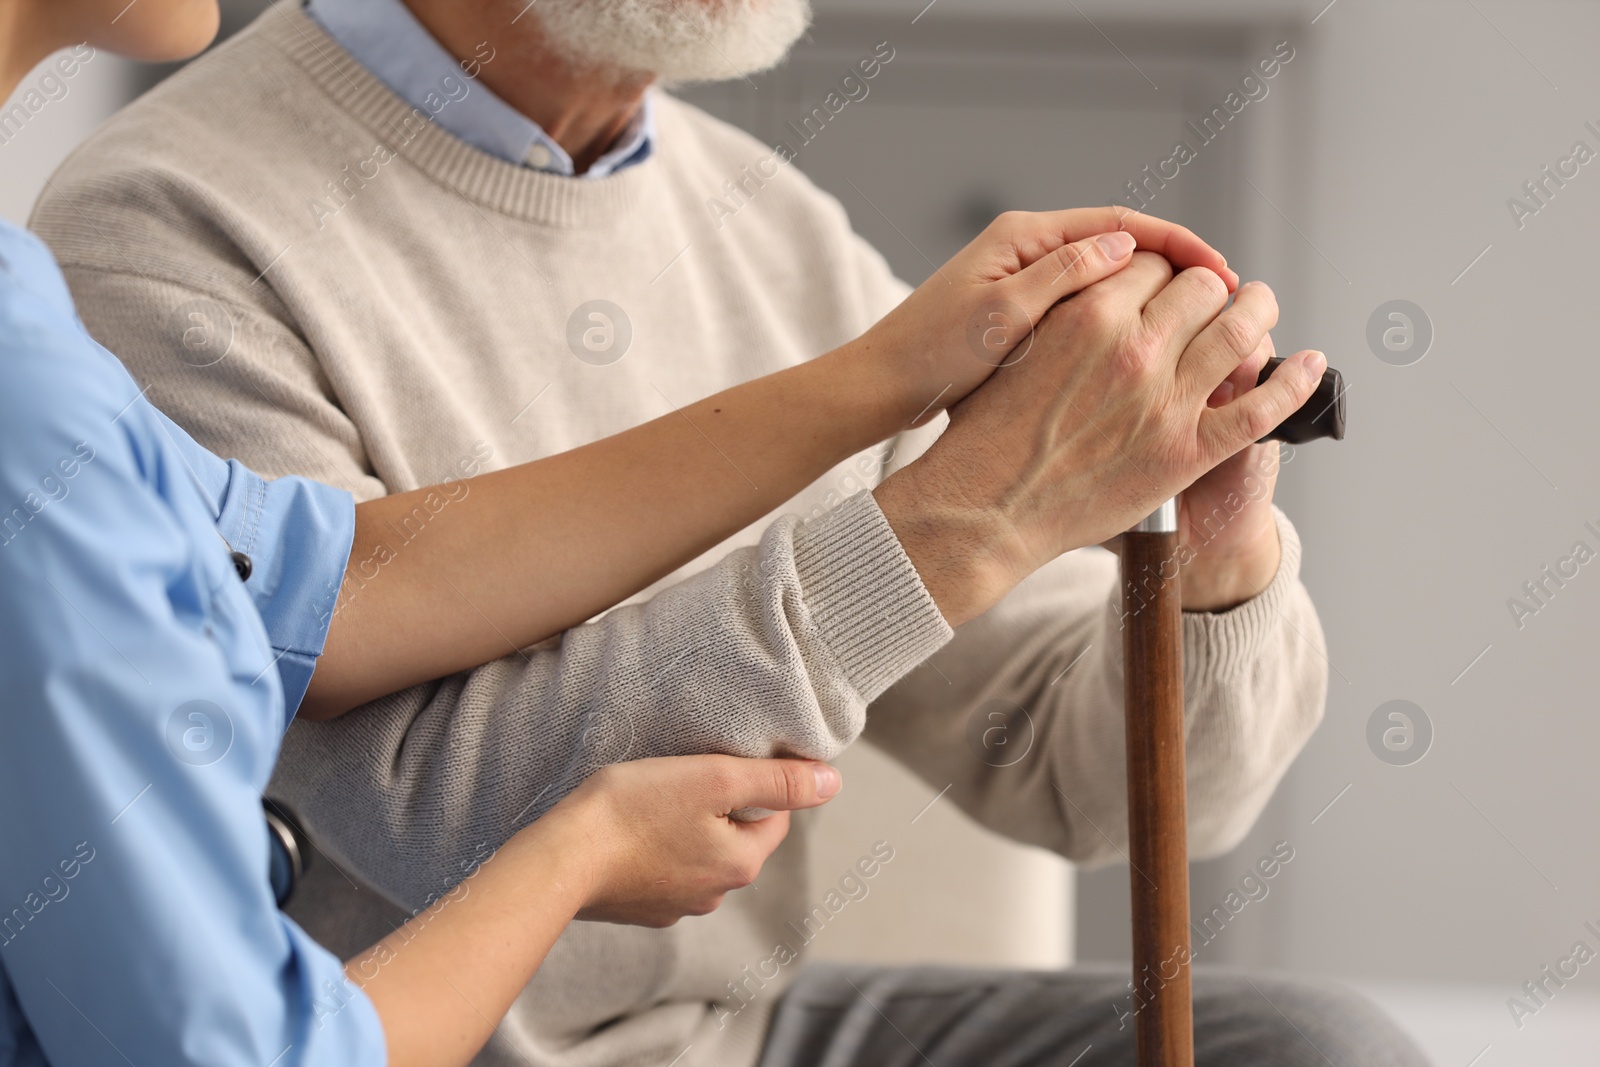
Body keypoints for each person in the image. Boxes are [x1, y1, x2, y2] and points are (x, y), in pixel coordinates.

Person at [29, 1, 1431, 1066]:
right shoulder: (161, 230)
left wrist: (1211, 548)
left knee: (1316, 1047)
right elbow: (423, 811)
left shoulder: (763, 224)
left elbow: (1078, 777)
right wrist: (965, 517)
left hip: (736, 1034)